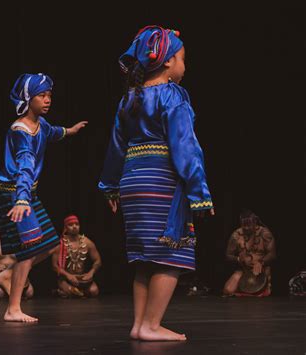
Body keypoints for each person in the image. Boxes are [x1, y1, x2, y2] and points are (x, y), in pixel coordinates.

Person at [98, 26, 214, 341]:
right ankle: (151, 325)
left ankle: (139, 325)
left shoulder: (129, 98)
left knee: (144, 257)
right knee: (170, 253)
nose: (184, 66)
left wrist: (110, 185)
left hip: (133, 181)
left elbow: (116, 146)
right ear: (167, 62)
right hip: (161, 180)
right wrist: (199, 192)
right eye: (182, 59)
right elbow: (185, 146)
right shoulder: (172, 95)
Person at [0, 73, 87, 322]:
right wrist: (22, 199)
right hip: (14, 194)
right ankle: (13, 309)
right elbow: (25, 166)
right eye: (42, 96)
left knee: (50, 245)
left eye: (49, 96)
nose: (48, 100)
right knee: (27, 249)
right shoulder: (21, 131)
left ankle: (6, 277)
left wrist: (70, 131)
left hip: (26, 193)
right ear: (28, 98)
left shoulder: (39, 124)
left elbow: (53, 132)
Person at [223, 210, 276, 297]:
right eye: (244, 225)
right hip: (244, 270)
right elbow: (228, 255)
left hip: (260, 270)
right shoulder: (236, 235)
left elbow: (272, 254)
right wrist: (239, 259)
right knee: (227, 290)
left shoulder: (265, 234)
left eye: (249, 225)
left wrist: (261, 262)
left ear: (255, 222)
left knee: (262, 291)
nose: (246, 228)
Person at [52, 215, 102, 298]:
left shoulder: (87, 242)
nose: (74, 226)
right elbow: (54, 266)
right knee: (71, 292)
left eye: (77, 224)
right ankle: (66, 291)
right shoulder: (60, 244)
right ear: (65, 228)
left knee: (94, 291)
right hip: (66, 279)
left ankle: (71, 293)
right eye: (71, 225)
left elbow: (98, 261)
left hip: (82, 279)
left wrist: (91, 273)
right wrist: (68, 275)